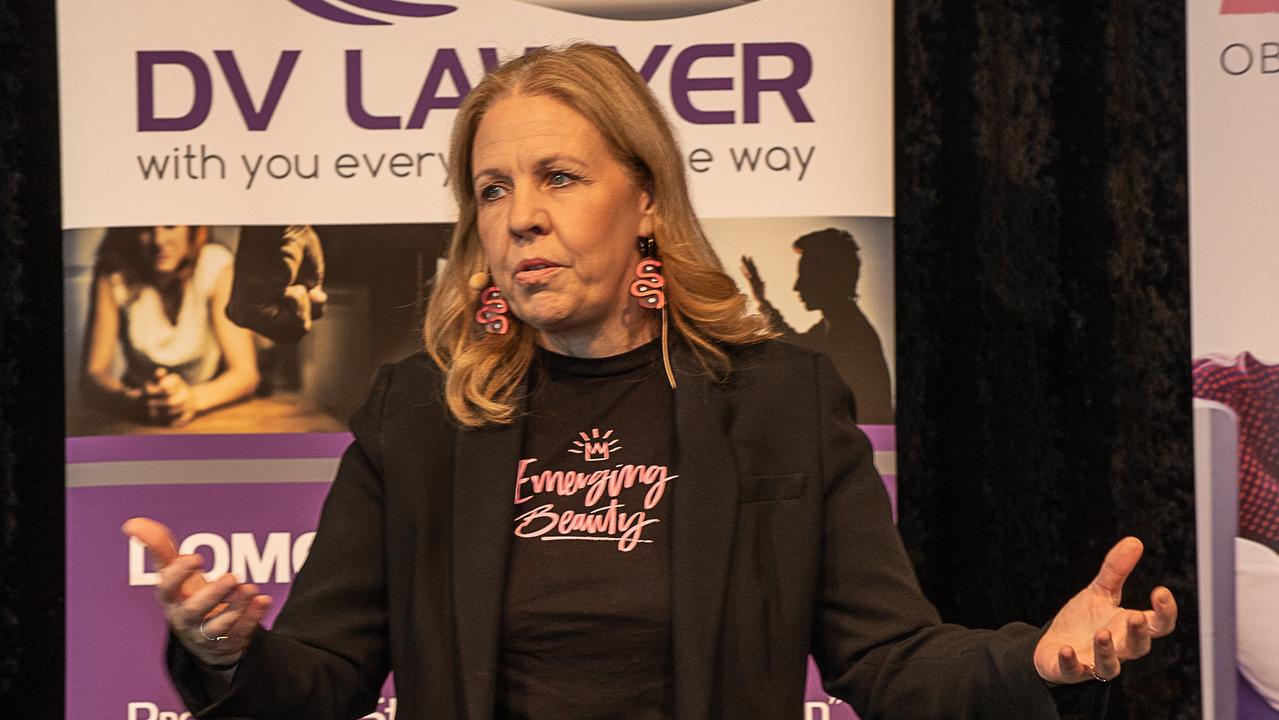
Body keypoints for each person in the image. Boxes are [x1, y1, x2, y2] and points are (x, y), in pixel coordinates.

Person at [125, 44, 1177, 719]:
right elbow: (320, 674)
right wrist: (226, 653)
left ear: (643, 203)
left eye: (560, 178)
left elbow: (891, 657)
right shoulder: (422, 415)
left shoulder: (780, 406)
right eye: (492, 189)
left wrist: (1032, 657)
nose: (519, 215)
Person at [83, 225, 259, 427]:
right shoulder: (114, 273)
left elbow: (246, 374)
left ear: (193, 229)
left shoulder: (216, 265)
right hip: (137, 416)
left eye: (170, 226)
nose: (159, 241)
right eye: (145, 229)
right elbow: (93, 375)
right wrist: (132, 401)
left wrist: (192, 399)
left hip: (209, 411)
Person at [742, 228, 894, 424]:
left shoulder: (849, 333)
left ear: (829, 278)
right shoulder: (834, 325)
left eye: (805, 275)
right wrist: (762, 299)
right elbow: (796, 343)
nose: (796, 287)